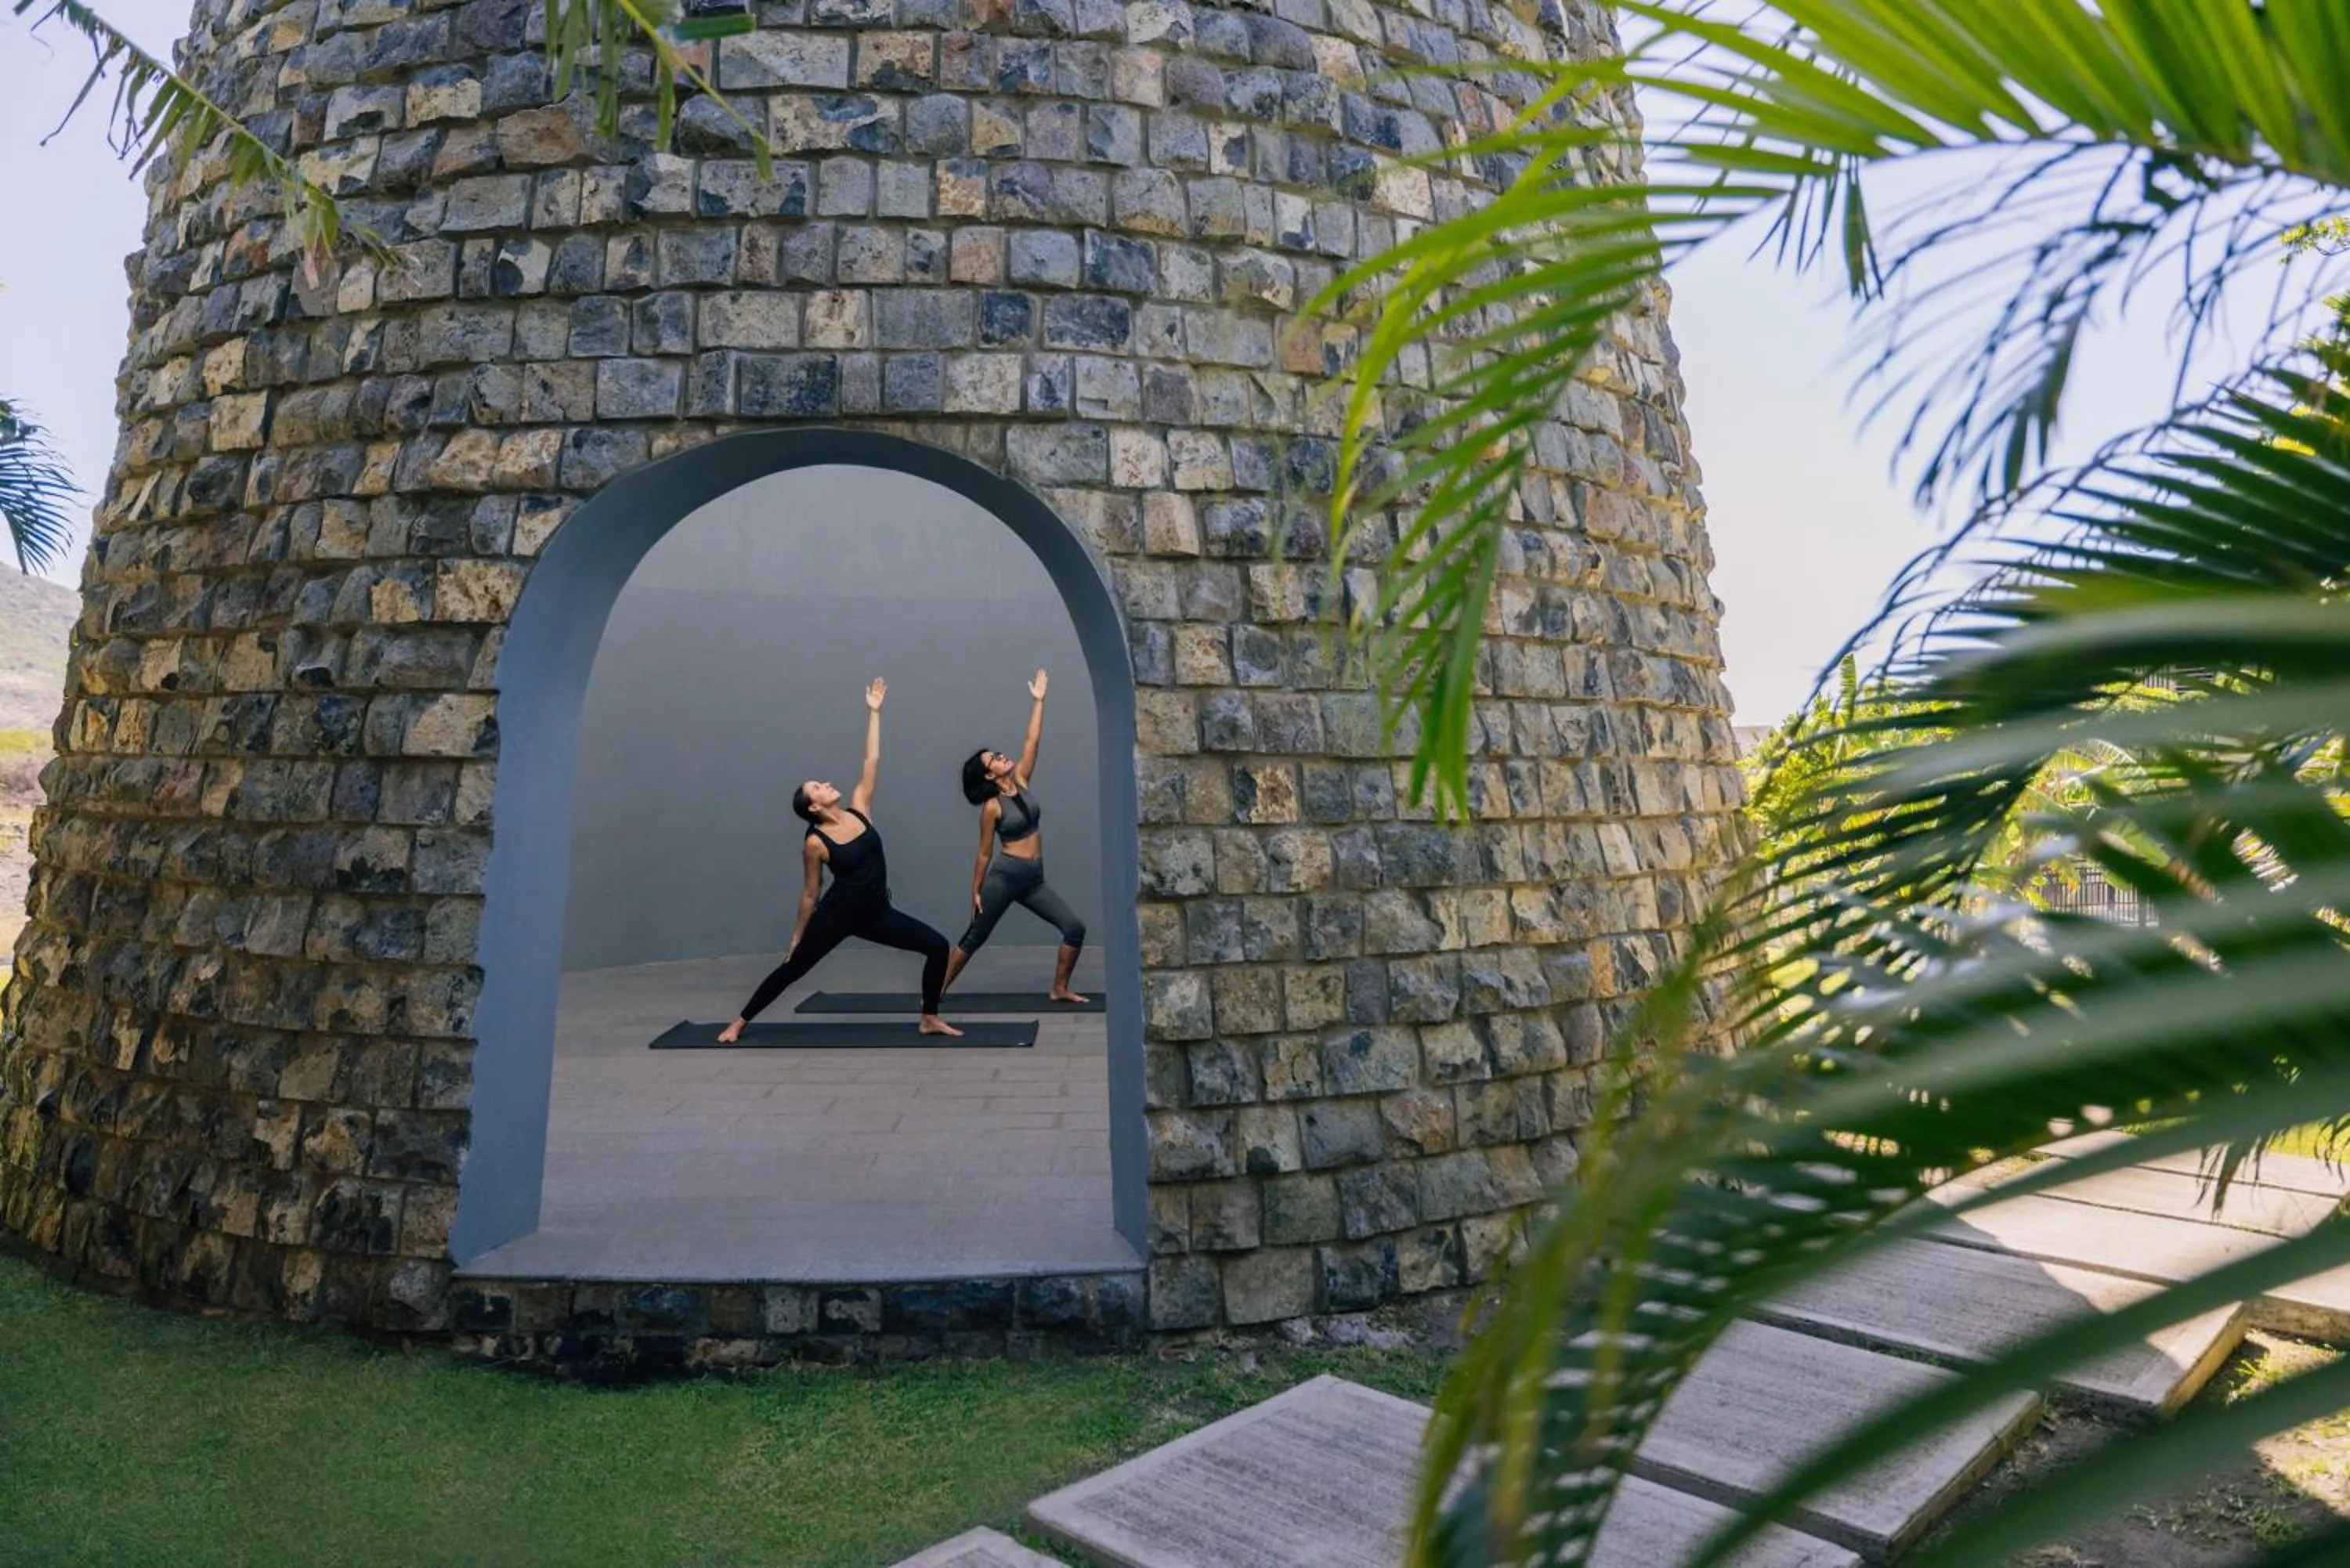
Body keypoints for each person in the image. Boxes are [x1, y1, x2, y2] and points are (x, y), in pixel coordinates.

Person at [717, 678, 962, 1041]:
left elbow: (871, 760)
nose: (826, 783)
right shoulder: (815, 842)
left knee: (938, 946)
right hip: (837, 916)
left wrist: (874, 712)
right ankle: (739, 1022)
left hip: (877, 913)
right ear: (813, 807)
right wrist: (798, 935)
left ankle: (929, 1018)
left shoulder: (860, 809)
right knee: (794, 967)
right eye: (817, 787)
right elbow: (810, 892)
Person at [945, 669, 1090, 1003]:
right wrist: (975, 890)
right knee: (974, 937)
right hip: (1006, 877)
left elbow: (1031, 741)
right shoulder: (992, 807)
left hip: (1034, 878)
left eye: (997, 753)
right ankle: (935, 993)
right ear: (988, 775)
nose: (1001, 756)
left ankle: (1059, 988)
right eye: (994, 759)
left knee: (1074, 929)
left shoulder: (1021, 780)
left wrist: (1039, 701)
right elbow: (984, 852)